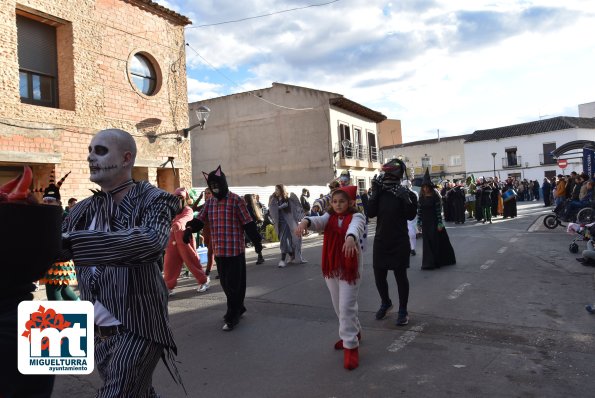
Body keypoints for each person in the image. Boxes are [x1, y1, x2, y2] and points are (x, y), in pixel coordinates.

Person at [61, 129, 183, 396]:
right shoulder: (82, 209)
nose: (91, 157)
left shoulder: (155, 199)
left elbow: (151, 241)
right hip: (97, 334)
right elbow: (51, 246)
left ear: (126, 158)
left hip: (138, 328)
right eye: (90, 151)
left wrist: (75, 243)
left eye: (100, 151)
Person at [184, 166, 264, 331]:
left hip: (235, 251)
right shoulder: (210, 203)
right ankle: (238, 307)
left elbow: (248, 223)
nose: (214, 189)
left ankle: (232, 315)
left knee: (235, 284)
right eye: (211, 186)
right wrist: (190, 229)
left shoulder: (236, 200)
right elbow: (200, 220)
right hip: (220, 251)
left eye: (217, 185)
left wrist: (256, 241)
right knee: (226, 284)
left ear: (223, 183)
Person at [296, 185, 366, 370]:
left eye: (342, 201)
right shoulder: (330, 217)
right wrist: (305, 222)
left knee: (346, 306)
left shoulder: (357, 216)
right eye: (335, 201)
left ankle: (350, 345)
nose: (337, 204)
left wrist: (350, 237)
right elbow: (318, 221)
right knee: (338, 306)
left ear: (350, 202)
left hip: (350, 269)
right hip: (332, 267)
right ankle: (354, 331)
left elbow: (356, 227)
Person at [367, 159, 418, 326]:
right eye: (385, 173)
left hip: (399, 241)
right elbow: (370, 213)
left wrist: (406, 199)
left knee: (400, 276)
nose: (387, 176)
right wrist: (374, 192)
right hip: (381, 240)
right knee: (379, 275)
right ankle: (386, 302)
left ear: (398, 174)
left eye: (390, 173)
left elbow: (410, 216)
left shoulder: (407, 193)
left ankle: (403, 310)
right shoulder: (380, 193)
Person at [39, 172, 79, 301]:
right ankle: (85, 312)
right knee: (65, 290)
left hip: (59, 261)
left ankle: (61, 318)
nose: (46, 203)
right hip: (50, 261)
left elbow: (68, 238)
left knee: (53, 293)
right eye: (45, 201)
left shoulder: (65, 217)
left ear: (58, 202)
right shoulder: (47, 217)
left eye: (50, 201)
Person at [164, 187, 210, 295]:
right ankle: (168, 286)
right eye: (176, 197)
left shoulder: (187, 210)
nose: (178, 199)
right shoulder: (170, 210)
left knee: (192, 261)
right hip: (172, 242)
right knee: (170, 263)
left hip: (185, 239)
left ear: (184, 199)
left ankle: (204, 281)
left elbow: (186, 218)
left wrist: (178, 224)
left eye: (180, 197)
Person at [417, 168, 456, 269]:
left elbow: (438, 210)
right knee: (426, 242)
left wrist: (440, 223)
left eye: (426, 187)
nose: (425, 189)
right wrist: (419, 222)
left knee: (435, 241)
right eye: (423, 187)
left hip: (434, 222)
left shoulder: (435, 196)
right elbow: (420, 210)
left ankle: (435, 262)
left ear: (429, 186)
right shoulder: (421, 197)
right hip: (425, 222)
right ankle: (427, 263)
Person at [269, 184, 306, 267]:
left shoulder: (288, 199)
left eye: (277, 189)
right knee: (286, 241)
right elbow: (271, 210)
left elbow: (296, 210)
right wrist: (279, 207)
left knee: (284, 240)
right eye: (275, 189)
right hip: (279, 224)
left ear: (282, 190)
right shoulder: (273, 199)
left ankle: (282, 260)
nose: (276, 191)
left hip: (288, 223)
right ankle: (292, 254)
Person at [192, 188, 218, 277]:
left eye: (208, 193)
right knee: (211, 251)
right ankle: (219, 269)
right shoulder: (205, 205)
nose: (206, 195)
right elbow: (194, 208)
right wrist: (199, 198)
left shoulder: (215, 204)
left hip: (214, 231)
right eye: (205, 193)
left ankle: (207, 271)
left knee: (210, 252)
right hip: (206, 231)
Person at [244, 194, 266, 265]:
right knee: (256, 241)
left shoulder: (248, 207)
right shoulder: (254, 206)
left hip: (250, 226)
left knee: (255, 241)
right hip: (255, 225)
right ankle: (260, 256)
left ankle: (260, 257)